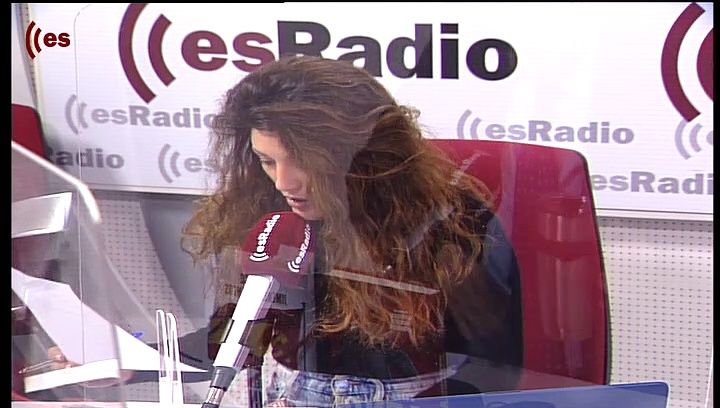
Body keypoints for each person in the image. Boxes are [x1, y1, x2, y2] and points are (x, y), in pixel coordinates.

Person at [179, 55, 524, 407]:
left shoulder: (449, 224)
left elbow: (493, 372)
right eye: (268, 161)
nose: (283, 182)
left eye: (303, 161)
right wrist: (153, 358)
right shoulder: (271, 214)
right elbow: (239, 334)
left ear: (360, 155)